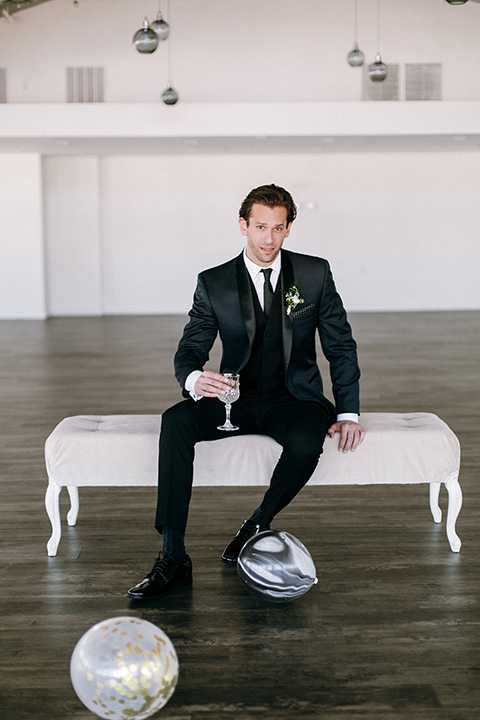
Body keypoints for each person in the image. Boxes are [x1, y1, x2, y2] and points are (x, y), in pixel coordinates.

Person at [127, 184, 365, 600]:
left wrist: (349, 413)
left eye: (278, 228)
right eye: (260, 227)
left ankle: (257, 523)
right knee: (175, 422)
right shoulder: (214, 282)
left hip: (295, 398)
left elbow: (340, 346)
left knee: (309, 441)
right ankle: (172, 555)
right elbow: (190, 348)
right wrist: (194, 378)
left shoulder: (314, 273)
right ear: (243, 226)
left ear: (288, 229)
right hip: (232, 399)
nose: (268, 239)